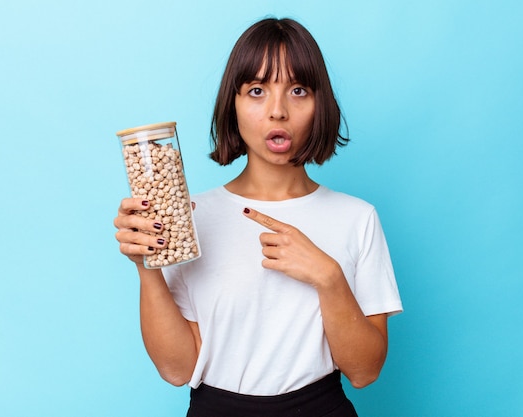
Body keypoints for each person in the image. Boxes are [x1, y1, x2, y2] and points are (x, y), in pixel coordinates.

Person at [113, 17, 402, 417]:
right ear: (232, 105)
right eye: (257, 91)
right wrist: (147, 267)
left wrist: (328, 278)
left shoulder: (357, 218)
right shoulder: (190, 216)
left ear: (321, 105)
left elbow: (365, 371)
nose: (277, 111)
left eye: (298, 90)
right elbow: (177, 369)